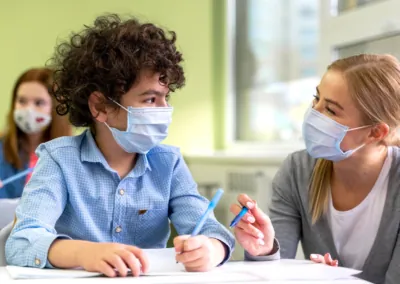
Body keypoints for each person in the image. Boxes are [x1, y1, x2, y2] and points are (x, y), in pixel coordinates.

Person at [5, 14, 234, 277]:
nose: (165, 109)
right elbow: (22, 242)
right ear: (100, 106)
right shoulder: (59, 159)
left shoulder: (168, 163)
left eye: (166, 98)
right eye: (150, 99)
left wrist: (211, 249)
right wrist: (85, 253)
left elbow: (213, 234)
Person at [230, 54, 400, 284]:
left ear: (374, 133)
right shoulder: (297, 170)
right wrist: (264, 251)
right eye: (316, 98)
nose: (312, 113)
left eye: (330, 110)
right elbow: (272, 275)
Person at [0, 67, 72, 199]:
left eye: (39, 103)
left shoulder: (71, 156)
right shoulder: (2, 147)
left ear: (56, 108)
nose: (29, 110)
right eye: (22, 101)